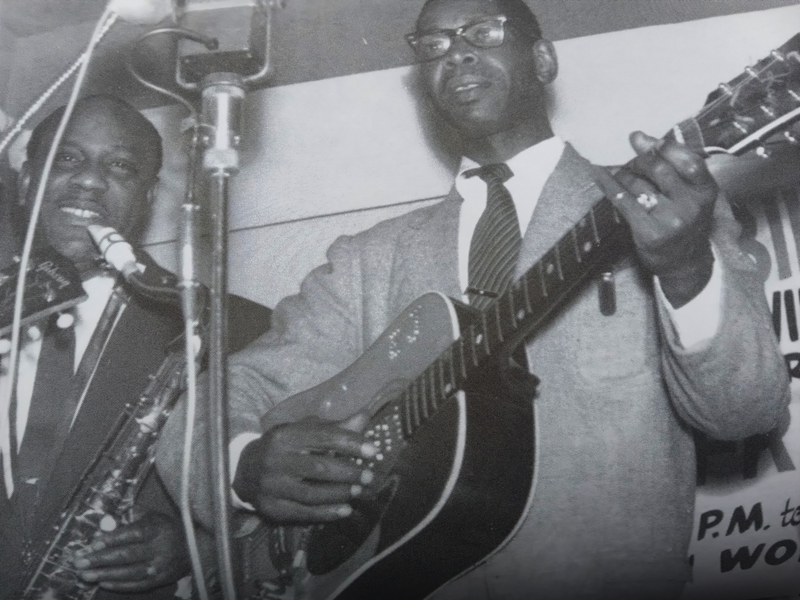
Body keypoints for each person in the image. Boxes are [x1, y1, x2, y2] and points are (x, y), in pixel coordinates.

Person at [156, 0, 790, 598]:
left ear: (543, 61)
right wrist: (244, 464)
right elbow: (217, 399)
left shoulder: (667, 216)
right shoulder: (369, 258)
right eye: (433, 44)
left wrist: (683, 271)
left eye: (482, 33)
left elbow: (745, 410)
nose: (454, 54)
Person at [0, 95, 271, 599]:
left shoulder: (234, 327)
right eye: (67, 158)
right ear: (25, 181)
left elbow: (287, 509)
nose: (88, 180)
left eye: (121, 166)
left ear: (148, 198)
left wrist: (202, 545)